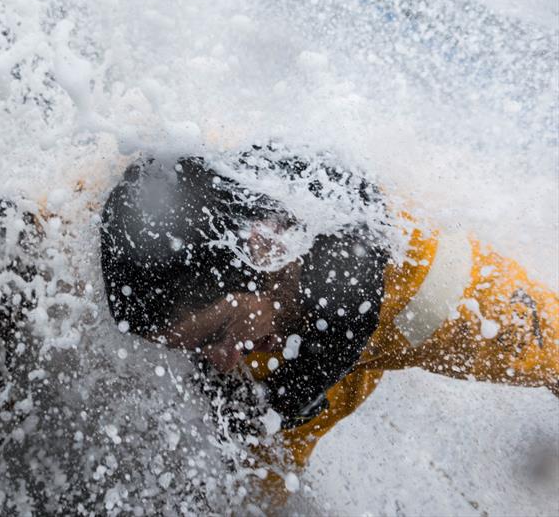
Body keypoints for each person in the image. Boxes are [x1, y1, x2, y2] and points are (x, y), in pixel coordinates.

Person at [99, 145, 558, 500]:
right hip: (297, 334)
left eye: (217, 336)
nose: (218, 361)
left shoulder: (459, 298)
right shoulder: (216, 208)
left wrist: (283, 398)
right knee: (253, 469)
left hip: (414, 306)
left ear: (264, 247)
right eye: (197, 349)